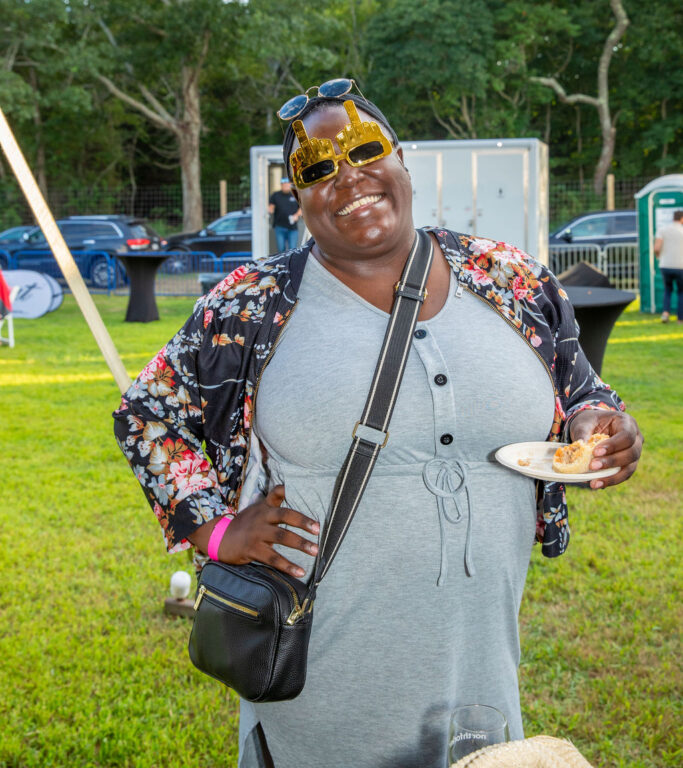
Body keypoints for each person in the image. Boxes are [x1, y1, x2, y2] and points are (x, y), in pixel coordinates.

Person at [113, 81, 643, 768]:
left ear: (401, 160)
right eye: (317, 168)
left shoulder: (508, 277)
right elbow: (148, 413)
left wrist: (599, 423)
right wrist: (215, 530)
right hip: (322, 684)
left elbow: (580, 389)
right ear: (297, 196)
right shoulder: (250, 305)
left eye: (364, 151)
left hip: (482, 673)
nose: (347, 177)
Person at [654, 209, 683, 322]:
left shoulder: (663, 230)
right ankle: (680, 318)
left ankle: (665, 313)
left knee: (667, 290)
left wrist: (659, 257)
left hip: (665, 264)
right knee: (681, 292)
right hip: (680, 266)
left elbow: (657, 248)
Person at [268, 176, 301, 252]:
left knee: (293, 249)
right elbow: (271, 208)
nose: (285, 185)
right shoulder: (275, 195)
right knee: (281, 250)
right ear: (281, 185)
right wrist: (269, 209)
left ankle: (291, 260)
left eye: (287, 183)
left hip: (292, 228)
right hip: (280, 227)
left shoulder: (295, 195)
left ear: (290, 184)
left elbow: (301, 208)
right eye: (284, 184)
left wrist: (296, 215)